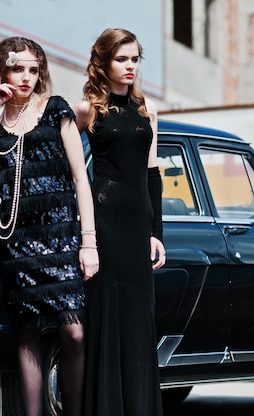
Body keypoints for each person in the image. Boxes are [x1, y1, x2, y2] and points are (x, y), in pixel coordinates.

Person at [0, 37, 99, 416]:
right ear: (1, 72)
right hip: (16, 241)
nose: (26, 77)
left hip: (61, 237)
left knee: (74, 331)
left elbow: (80, 180)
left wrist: (89, 242)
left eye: (34, 70)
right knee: (28, 331)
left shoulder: (55, 110)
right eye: (18, 69)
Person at [73, 28, 166, 415]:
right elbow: (68, 166)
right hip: (104, 226)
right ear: (103, 62)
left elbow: (152, 174)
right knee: (107, 320)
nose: (129, 67)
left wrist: (155, 233)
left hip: (137, 230)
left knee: (138, 323)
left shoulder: (148, 110)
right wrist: (86, 235)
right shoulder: (86, 109)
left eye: (134, 59)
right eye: (121, 59)